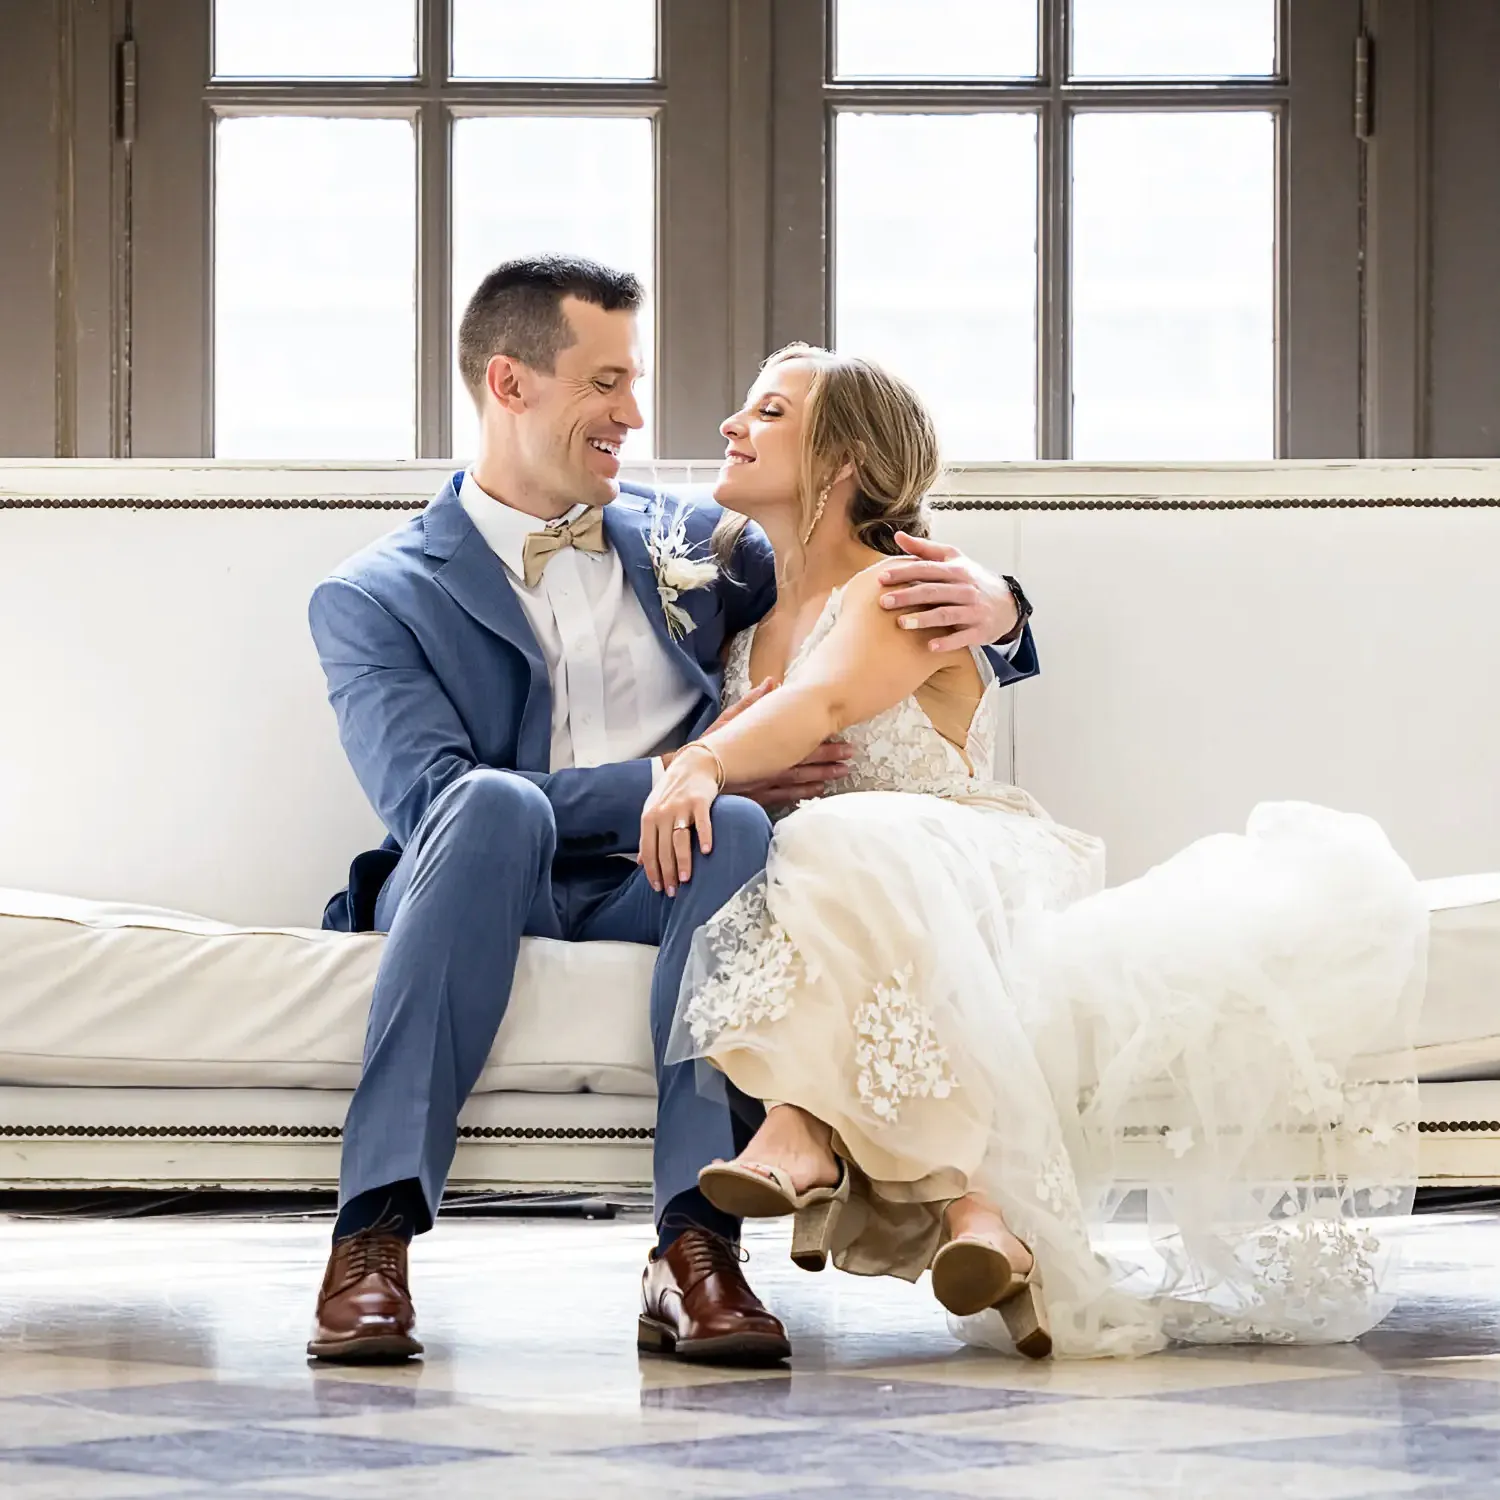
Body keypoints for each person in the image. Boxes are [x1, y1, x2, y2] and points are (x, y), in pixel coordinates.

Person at [304, 257, 1031, 1364]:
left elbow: (855, 563)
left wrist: (1006, 608)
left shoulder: (696, 543)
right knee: (495, 803)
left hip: (656, 872)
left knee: (734, 827)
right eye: (606, 382)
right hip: (480, 869)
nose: (636, 415)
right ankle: (371, 1240)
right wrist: (679, 770)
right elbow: (428, 803)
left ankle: (696, 1248)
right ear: (510, 383)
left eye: (633, 380)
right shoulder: (374, 594)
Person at [648, 343, 1428, 1360]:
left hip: (968, 851)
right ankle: (984, 1220)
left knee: (836, 837)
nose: (730, 427)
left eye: (768, 412)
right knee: (813, 858)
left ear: (839, 463)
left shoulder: (905, 588)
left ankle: (801, 1129)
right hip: (854, 882)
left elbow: (826, 703)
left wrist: (700, 763)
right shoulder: (742, 623)